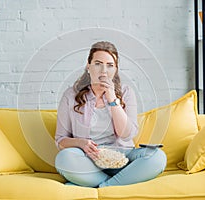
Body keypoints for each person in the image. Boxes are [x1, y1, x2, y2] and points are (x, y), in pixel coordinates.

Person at [55, 41, 166, 187]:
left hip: (123, 158)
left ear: (115, 69)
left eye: (110, 65)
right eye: (98, 64)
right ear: (88, 66)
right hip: (89, 161)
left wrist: (112, 99)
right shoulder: (71, 95)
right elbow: (61, 140)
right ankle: (120, 182)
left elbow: (126, 134)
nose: (104, 71)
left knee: (157, 157)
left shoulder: (126, 93)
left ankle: (104, 187)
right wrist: (81, 143)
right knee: (64, 158)